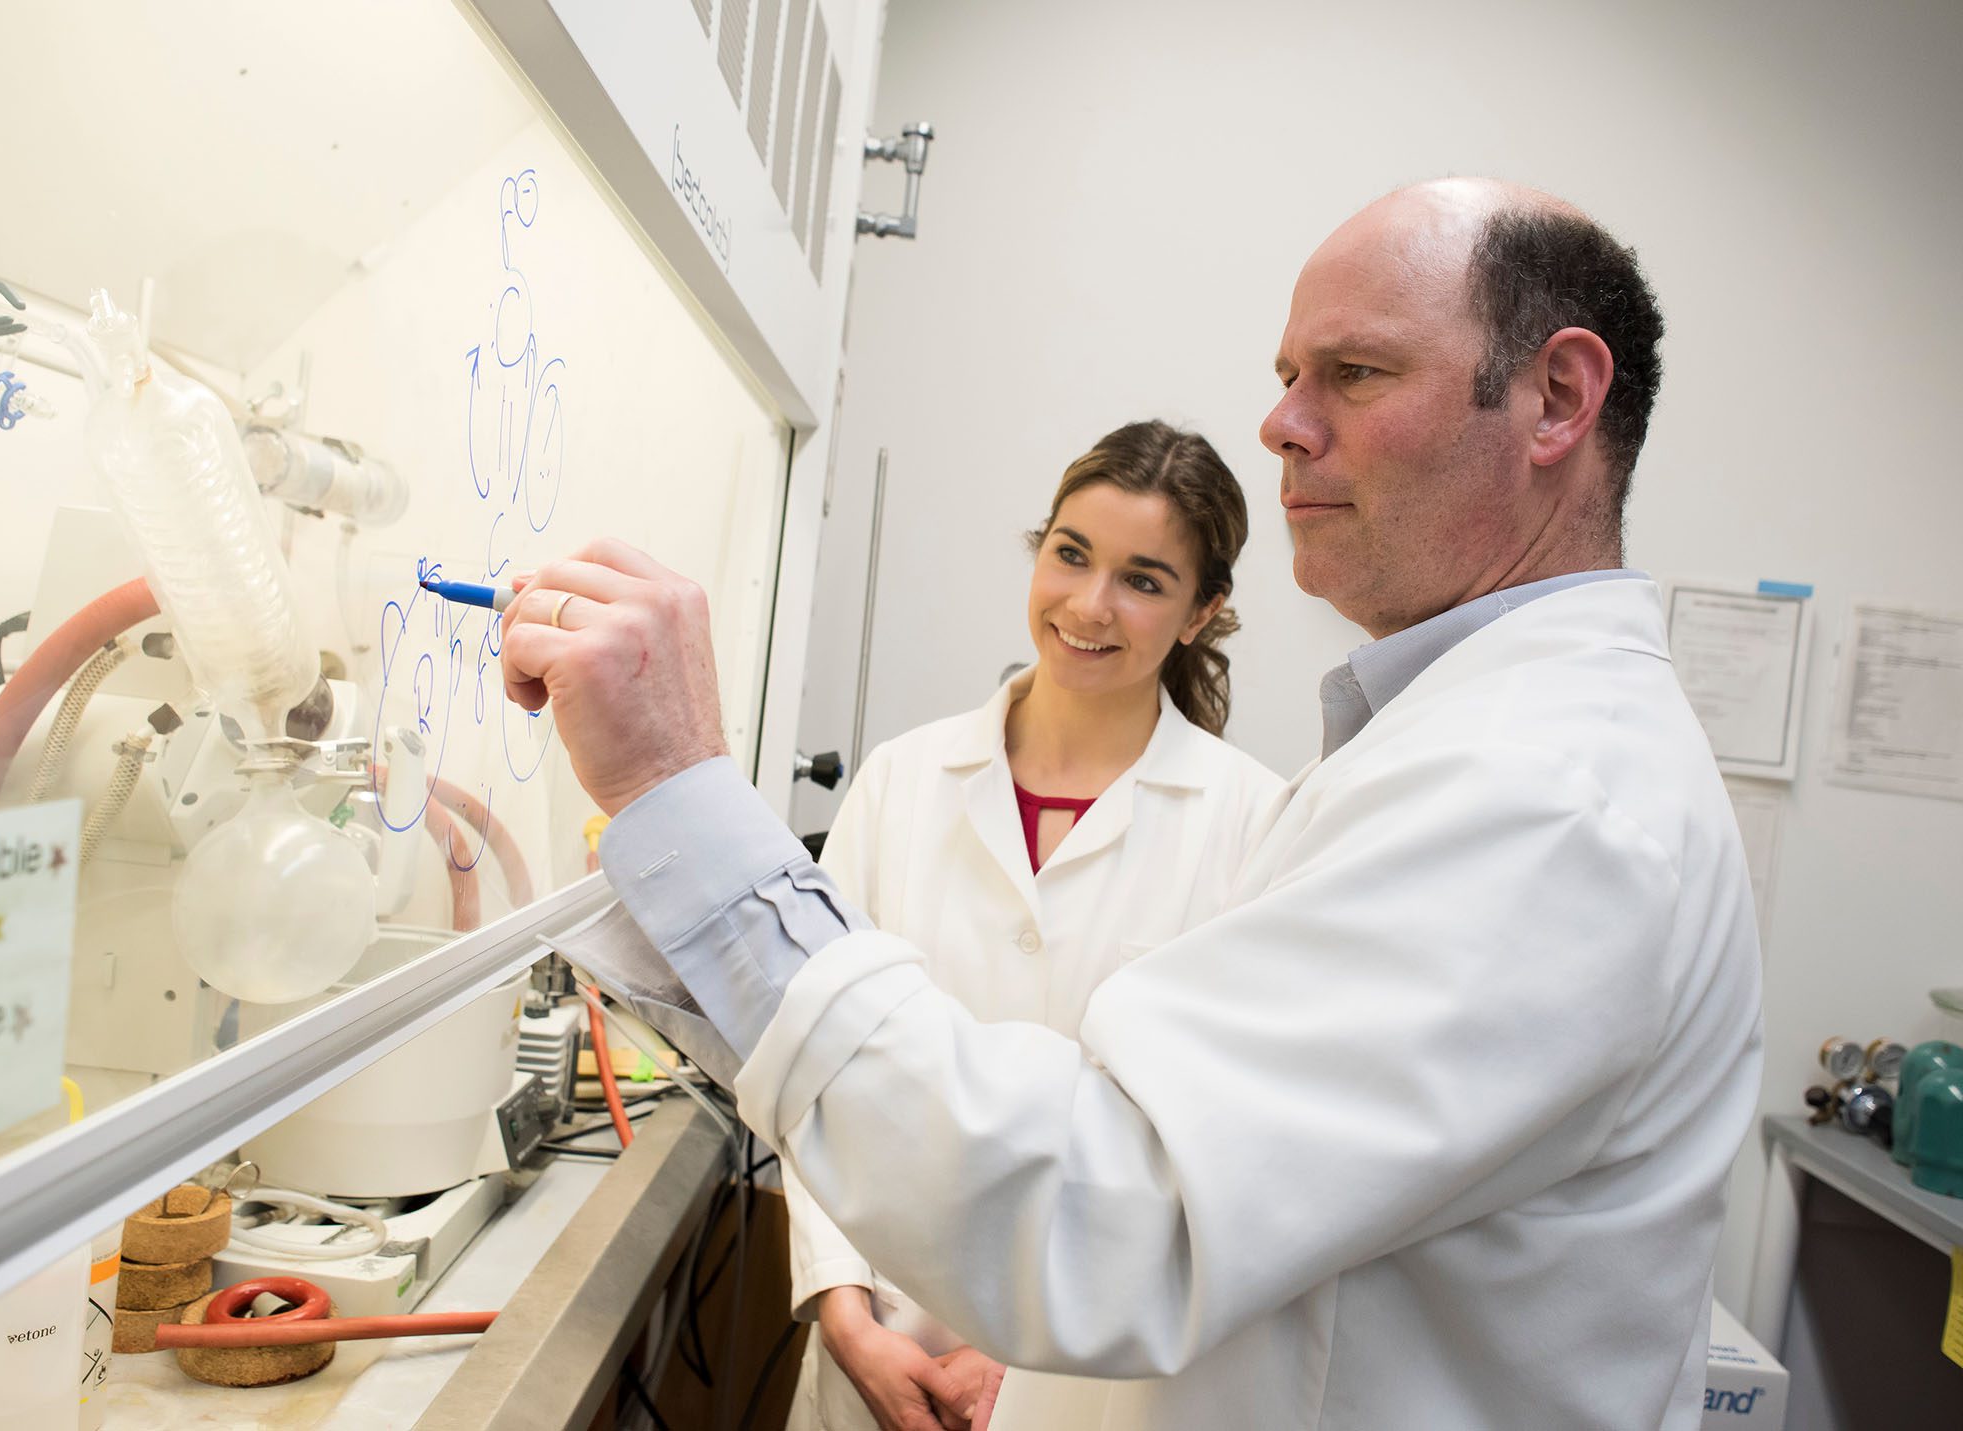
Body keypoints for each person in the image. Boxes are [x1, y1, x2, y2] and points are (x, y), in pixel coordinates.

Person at [503, 178, 1765, 1429]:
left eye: (1355, 374)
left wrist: (682, 791)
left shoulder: (1541, 795)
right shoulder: (1458, 753)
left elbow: (1102, 1218)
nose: (1280, 423)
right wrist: (679, 867)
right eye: (1286, 374)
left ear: (1554, 398)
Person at [782, 422, 1285, 1431]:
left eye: (1143, 581)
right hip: (871, 1354)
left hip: (1085, 1380)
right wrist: (843, 1313)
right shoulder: (901, 782)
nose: (1087, 607)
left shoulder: (1251, 825)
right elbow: (814, 1061)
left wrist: (1019, 1363)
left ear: (1202, 612)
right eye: (1069, 555)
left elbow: (1217, 1150)